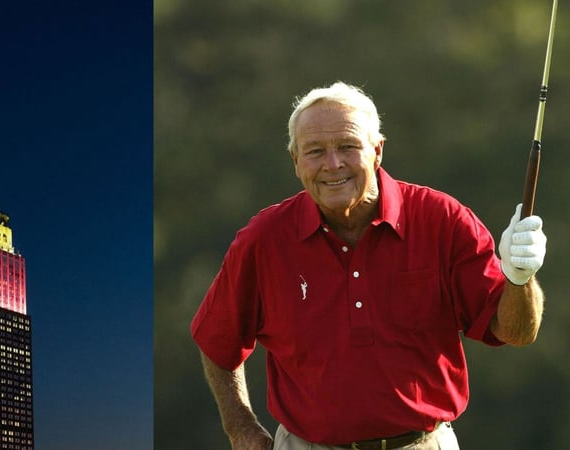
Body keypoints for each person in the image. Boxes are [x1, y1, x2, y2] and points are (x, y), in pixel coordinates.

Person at [190, 81, 547, 450]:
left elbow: (516, 332)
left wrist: (519, 279)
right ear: (296, 162)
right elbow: (217, 340)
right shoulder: (263, 239)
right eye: (315, 151)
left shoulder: (442, 220)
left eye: (348, 146)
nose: (333, 164)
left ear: (377, 151)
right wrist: (242, 428)